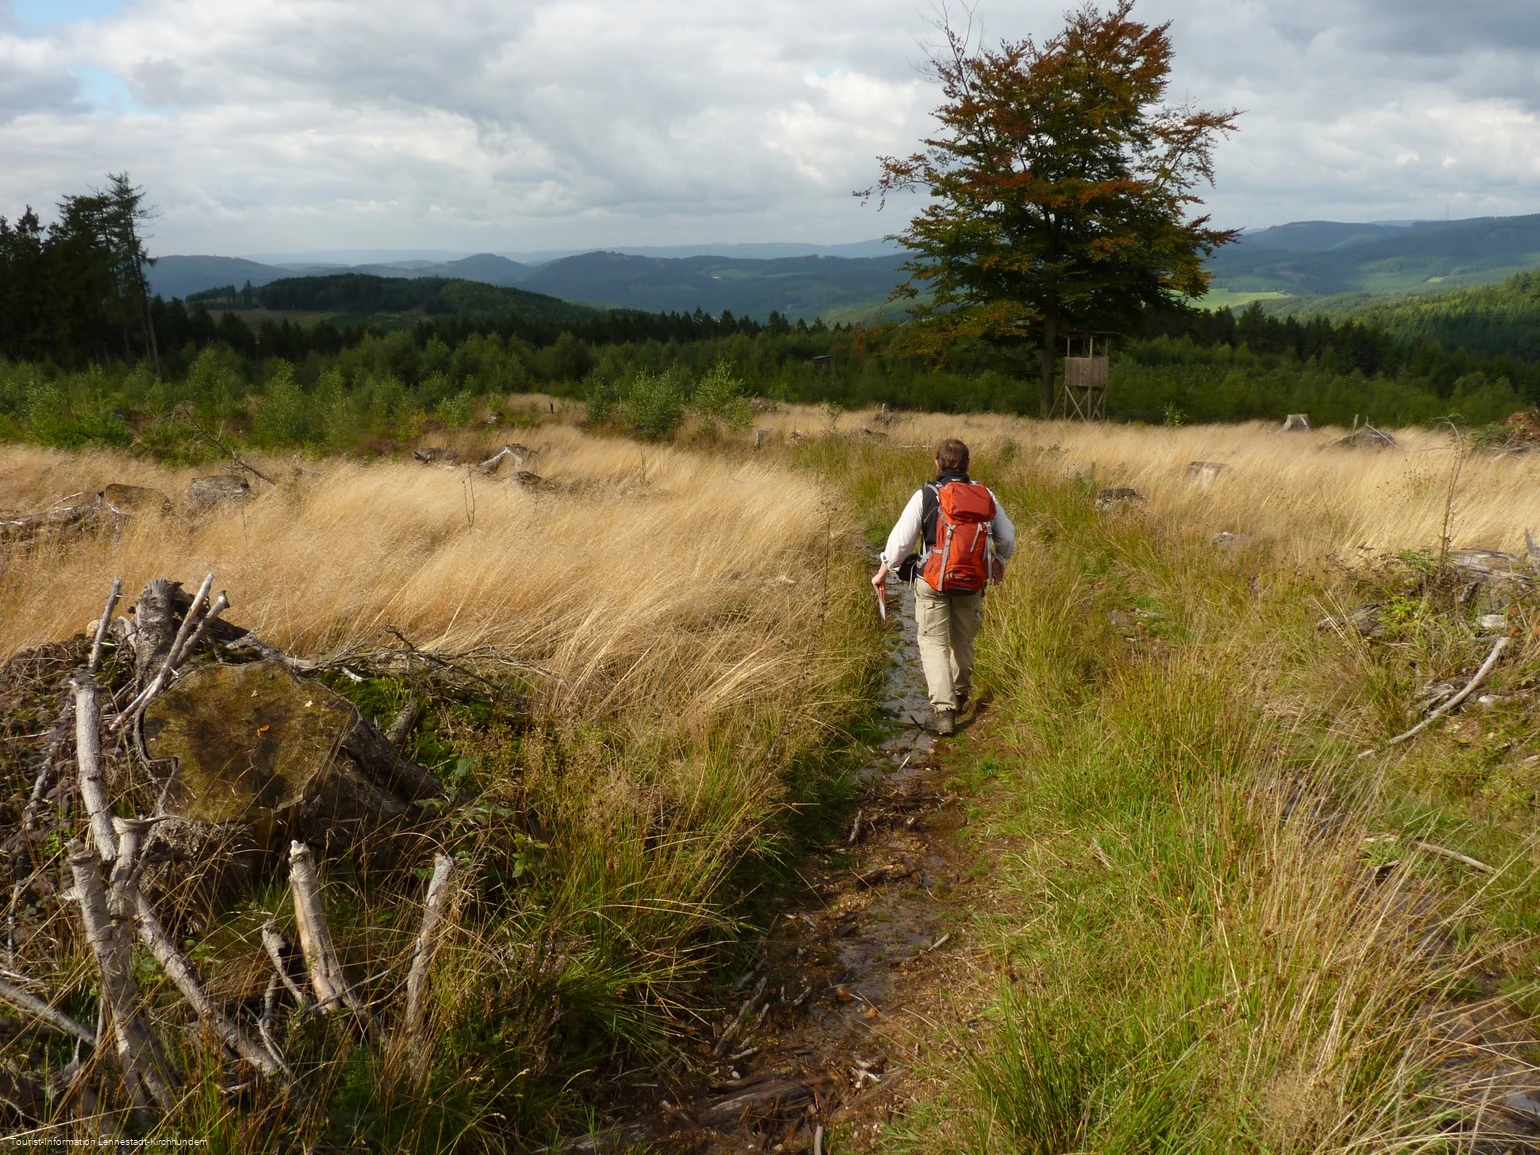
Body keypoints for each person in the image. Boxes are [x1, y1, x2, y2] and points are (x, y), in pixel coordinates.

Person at [872, 438, 1015, 737]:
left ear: (937, 463)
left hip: (932, 580)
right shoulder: (984, 494)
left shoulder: (926, 494)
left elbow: (901, 541)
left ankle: (944, 713)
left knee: (933, 643)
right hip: (972, 581)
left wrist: (883, 571)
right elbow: (1007, 536)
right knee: (963, 640)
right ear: (967, 465)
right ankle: (961, 695)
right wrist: (1000, 559)